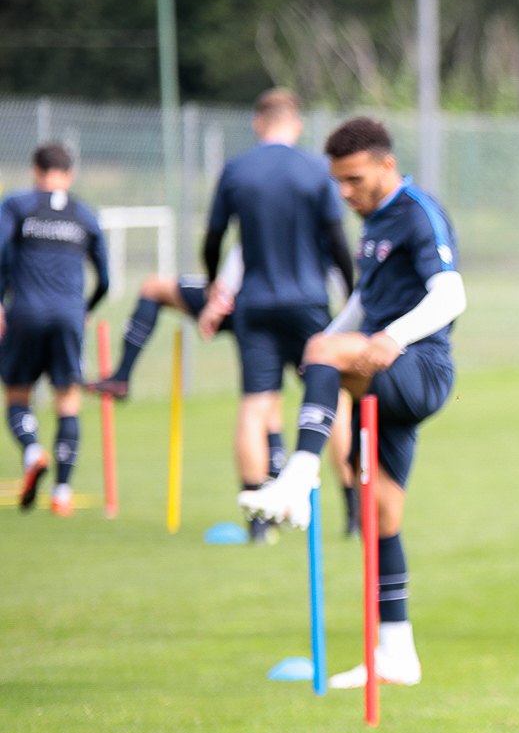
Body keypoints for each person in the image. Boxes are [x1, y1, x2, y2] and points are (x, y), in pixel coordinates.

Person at [241, 117, 465, 689]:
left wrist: (389, 339)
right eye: (338, 181)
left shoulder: (418, 211)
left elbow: (451, 293)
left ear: (385, 166)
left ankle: (297, 478)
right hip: (382, 374)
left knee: (325, 351)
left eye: (354, 179)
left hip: (420, 368)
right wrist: (327, 346)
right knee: (380, 513)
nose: (344, 192)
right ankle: (396, 654)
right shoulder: (373, 224)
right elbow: (365, 303)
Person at [200, 89, 357, 540]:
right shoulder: (315, 170)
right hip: (309, 305)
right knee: (334, 405)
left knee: (255, 406)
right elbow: (337, 242)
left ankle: (257, 522)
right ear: (298, 125)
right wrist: (349, 298)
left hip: (257, 307)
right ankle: (351, 514)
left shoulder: (236, 170)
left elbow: (213, 239)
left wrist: (215, 286)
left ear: (257, 123)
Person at [90, 250, 299, 517]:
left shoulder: (254, 208)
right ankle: (343, 512)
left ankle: (122, 377)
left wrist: (218, 298)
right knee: (271, 401)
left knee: (153, 287)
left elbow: (238, 248)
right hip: (294, 302)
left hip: (246, 298)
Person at [0, 143, 108, 516]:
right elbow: (105, 277)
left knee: (17, 396)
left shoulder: (16, 205)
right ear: (70, 173)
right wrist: (87, 309)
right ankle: (62, 493)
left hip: (24, 313)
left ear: (35, 170)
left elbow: (0, 249)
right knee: (68, 401)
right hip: (68, 315)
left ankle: (33, 451)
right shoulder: (85, 215)